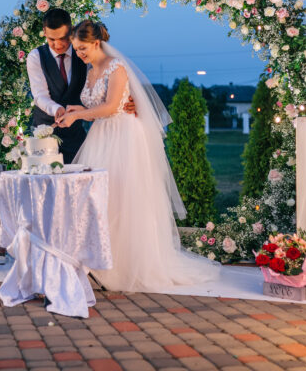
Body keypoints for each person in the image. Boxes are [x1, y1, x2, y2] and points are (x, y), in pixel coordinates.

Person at [55, 21, 220, 292]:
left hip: (122, 137)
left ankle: (125, 264)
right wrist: (76, 108)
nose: (80, 53)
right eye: (76, 49)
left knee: (122, 198)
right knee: (98, 199)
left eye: (82, 48)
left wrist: (76, 116)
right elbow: (97, 104)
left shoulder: (116, 66)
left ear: (96, 43)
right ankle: (99, 262)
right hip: (101, 136)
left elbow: (110, 107)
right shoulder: (89, 67)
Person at [27, 8, 134, 163]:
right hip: (45, 134)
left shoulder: (88, 55)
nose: (57, 45)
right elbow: (40, 95)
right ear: (44, 32)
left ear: (70, 31)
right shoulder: (35, 57)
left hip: (77, 135)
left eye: (63, 38)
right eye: (51, 39)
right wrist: (57, 109)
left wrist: (126, 100)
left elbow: (109, 87)